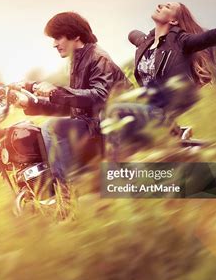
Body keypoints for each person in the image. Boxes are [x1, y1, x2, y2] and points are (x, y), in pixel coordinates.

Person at [103, 2, 216, 158]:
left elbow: (204, 38)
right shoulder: (146, 43)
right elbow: (133, 35)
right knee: (111, 118)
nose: (160, 5)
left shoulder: (180, 42)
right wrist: (134, 35)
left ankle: (115, 164)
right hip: (147, 107)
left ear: (173, 21)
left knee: (116, 110)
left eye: (167, 7)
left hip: (163, 110)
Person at [12, 12, 130, 183]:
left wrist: (55, 92)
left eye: (57, 37)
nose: (54, 44)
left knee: (52, 129)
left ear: (75, 35)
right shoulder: (79, 60)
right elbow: (72, 104)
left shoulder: (98, 57)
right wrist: (29, 103)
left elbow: (99, 96)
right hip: (94, 122)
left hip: (113, 124)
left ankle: (67, 192)